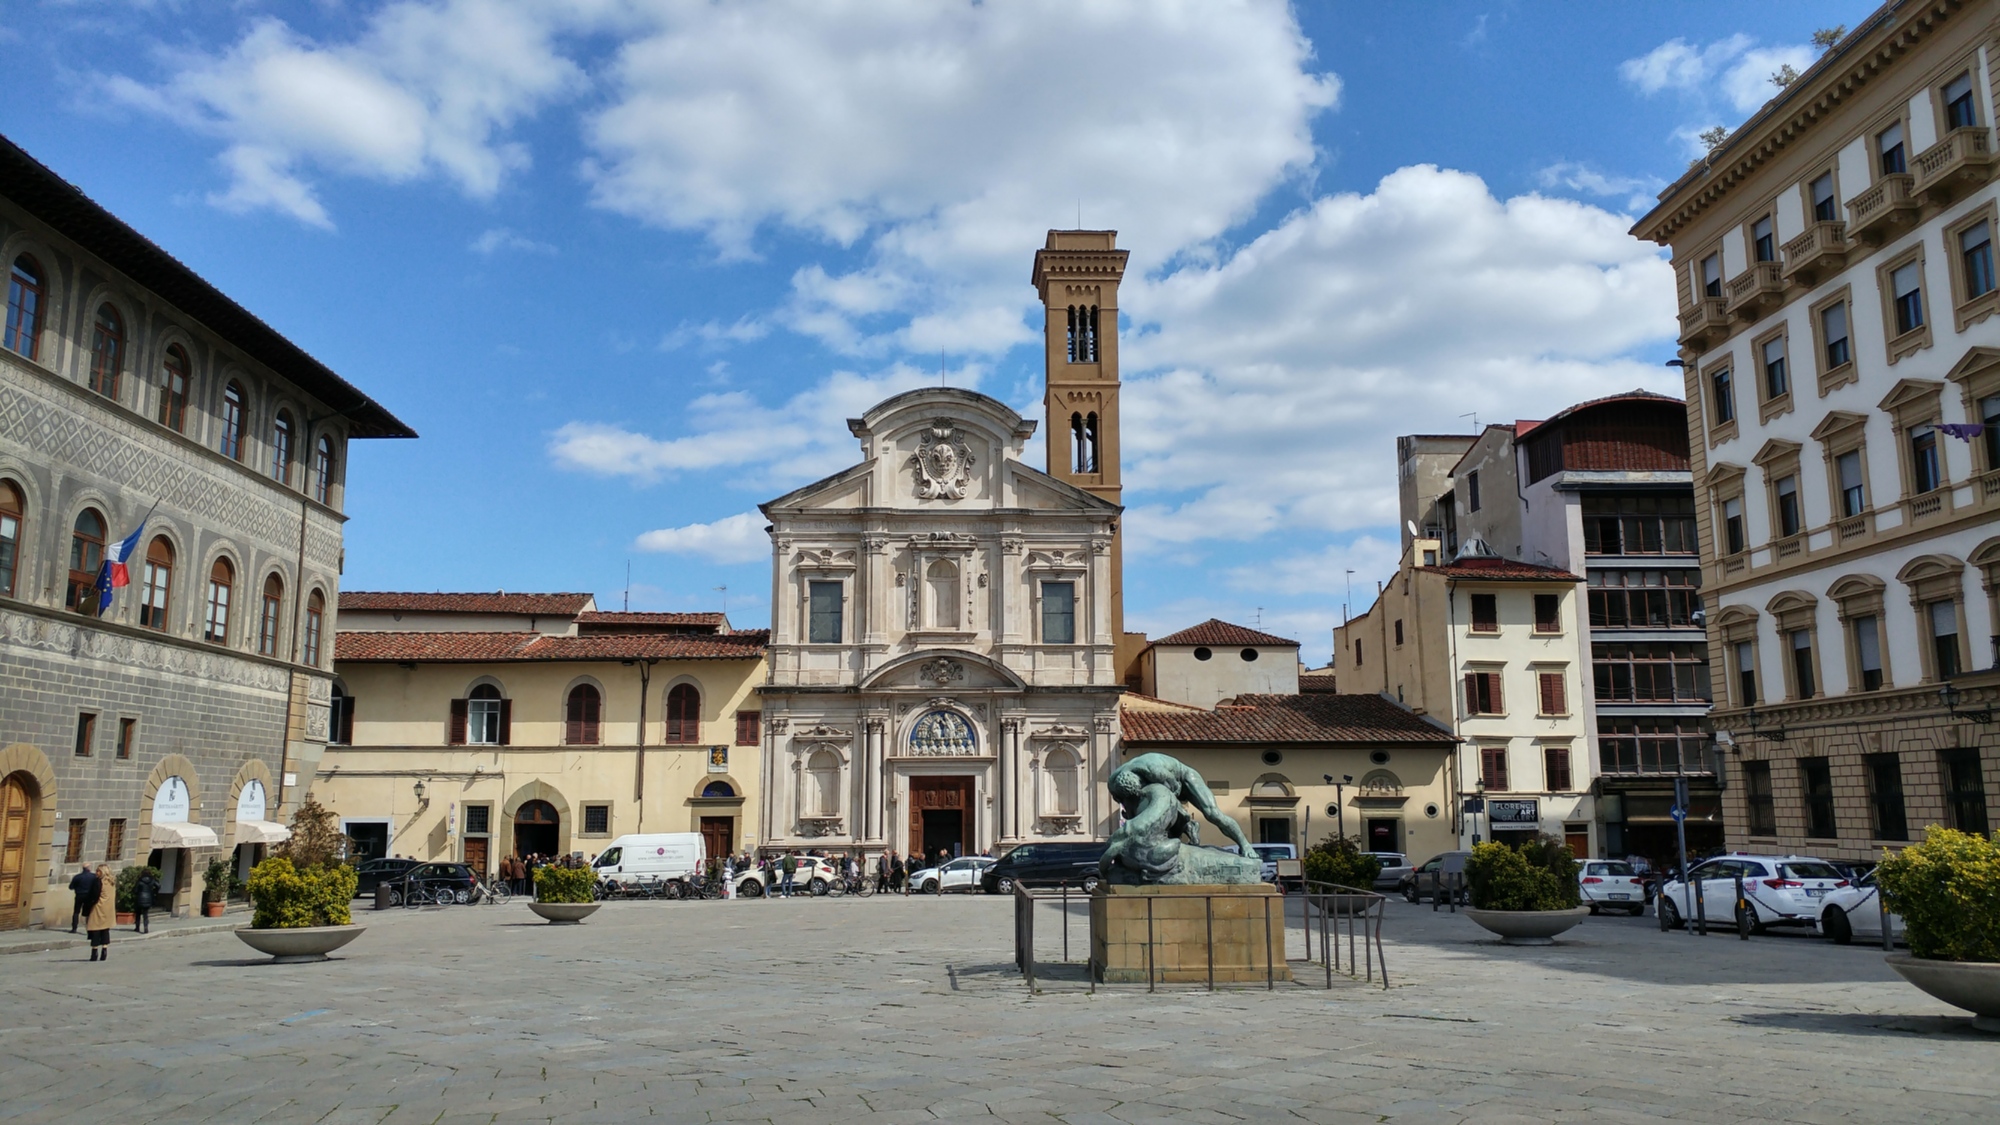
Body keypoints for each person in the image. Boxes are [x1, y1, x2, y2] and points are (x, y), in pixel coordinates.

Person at [84, 865, 114, 962]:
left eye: (98, 871)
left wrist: (87, 907)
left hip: (98, 907)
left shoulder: (98, 882)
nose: (96, 873)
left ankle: (94, 952)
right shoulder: (111, 882)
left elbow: (94, 896)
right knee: (105, 930)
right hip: (108, 909)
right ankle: (104, 950)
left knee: (95, 929)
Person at [69, 866, 100, 933]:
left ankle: (74, 928)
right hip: (89, 896)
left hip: (79, 895)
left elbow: (71, 887)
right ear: (89, 868)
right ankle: (89, 928)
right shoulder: (93, 877)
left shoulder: (77, 877)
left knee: (76, 912)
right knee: (88, 913)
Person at [132, 867, 159, 933]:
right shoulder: (152, 880)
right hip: (148, 898)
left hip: (140, 898)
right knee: (145, 914)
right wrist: (154, 892)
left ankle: (137, 927)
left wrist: (137, 893)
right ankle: (146, 927)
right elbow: (158, 886)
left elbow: (135, 890)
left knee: (138, 913)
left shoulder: (140, 880)